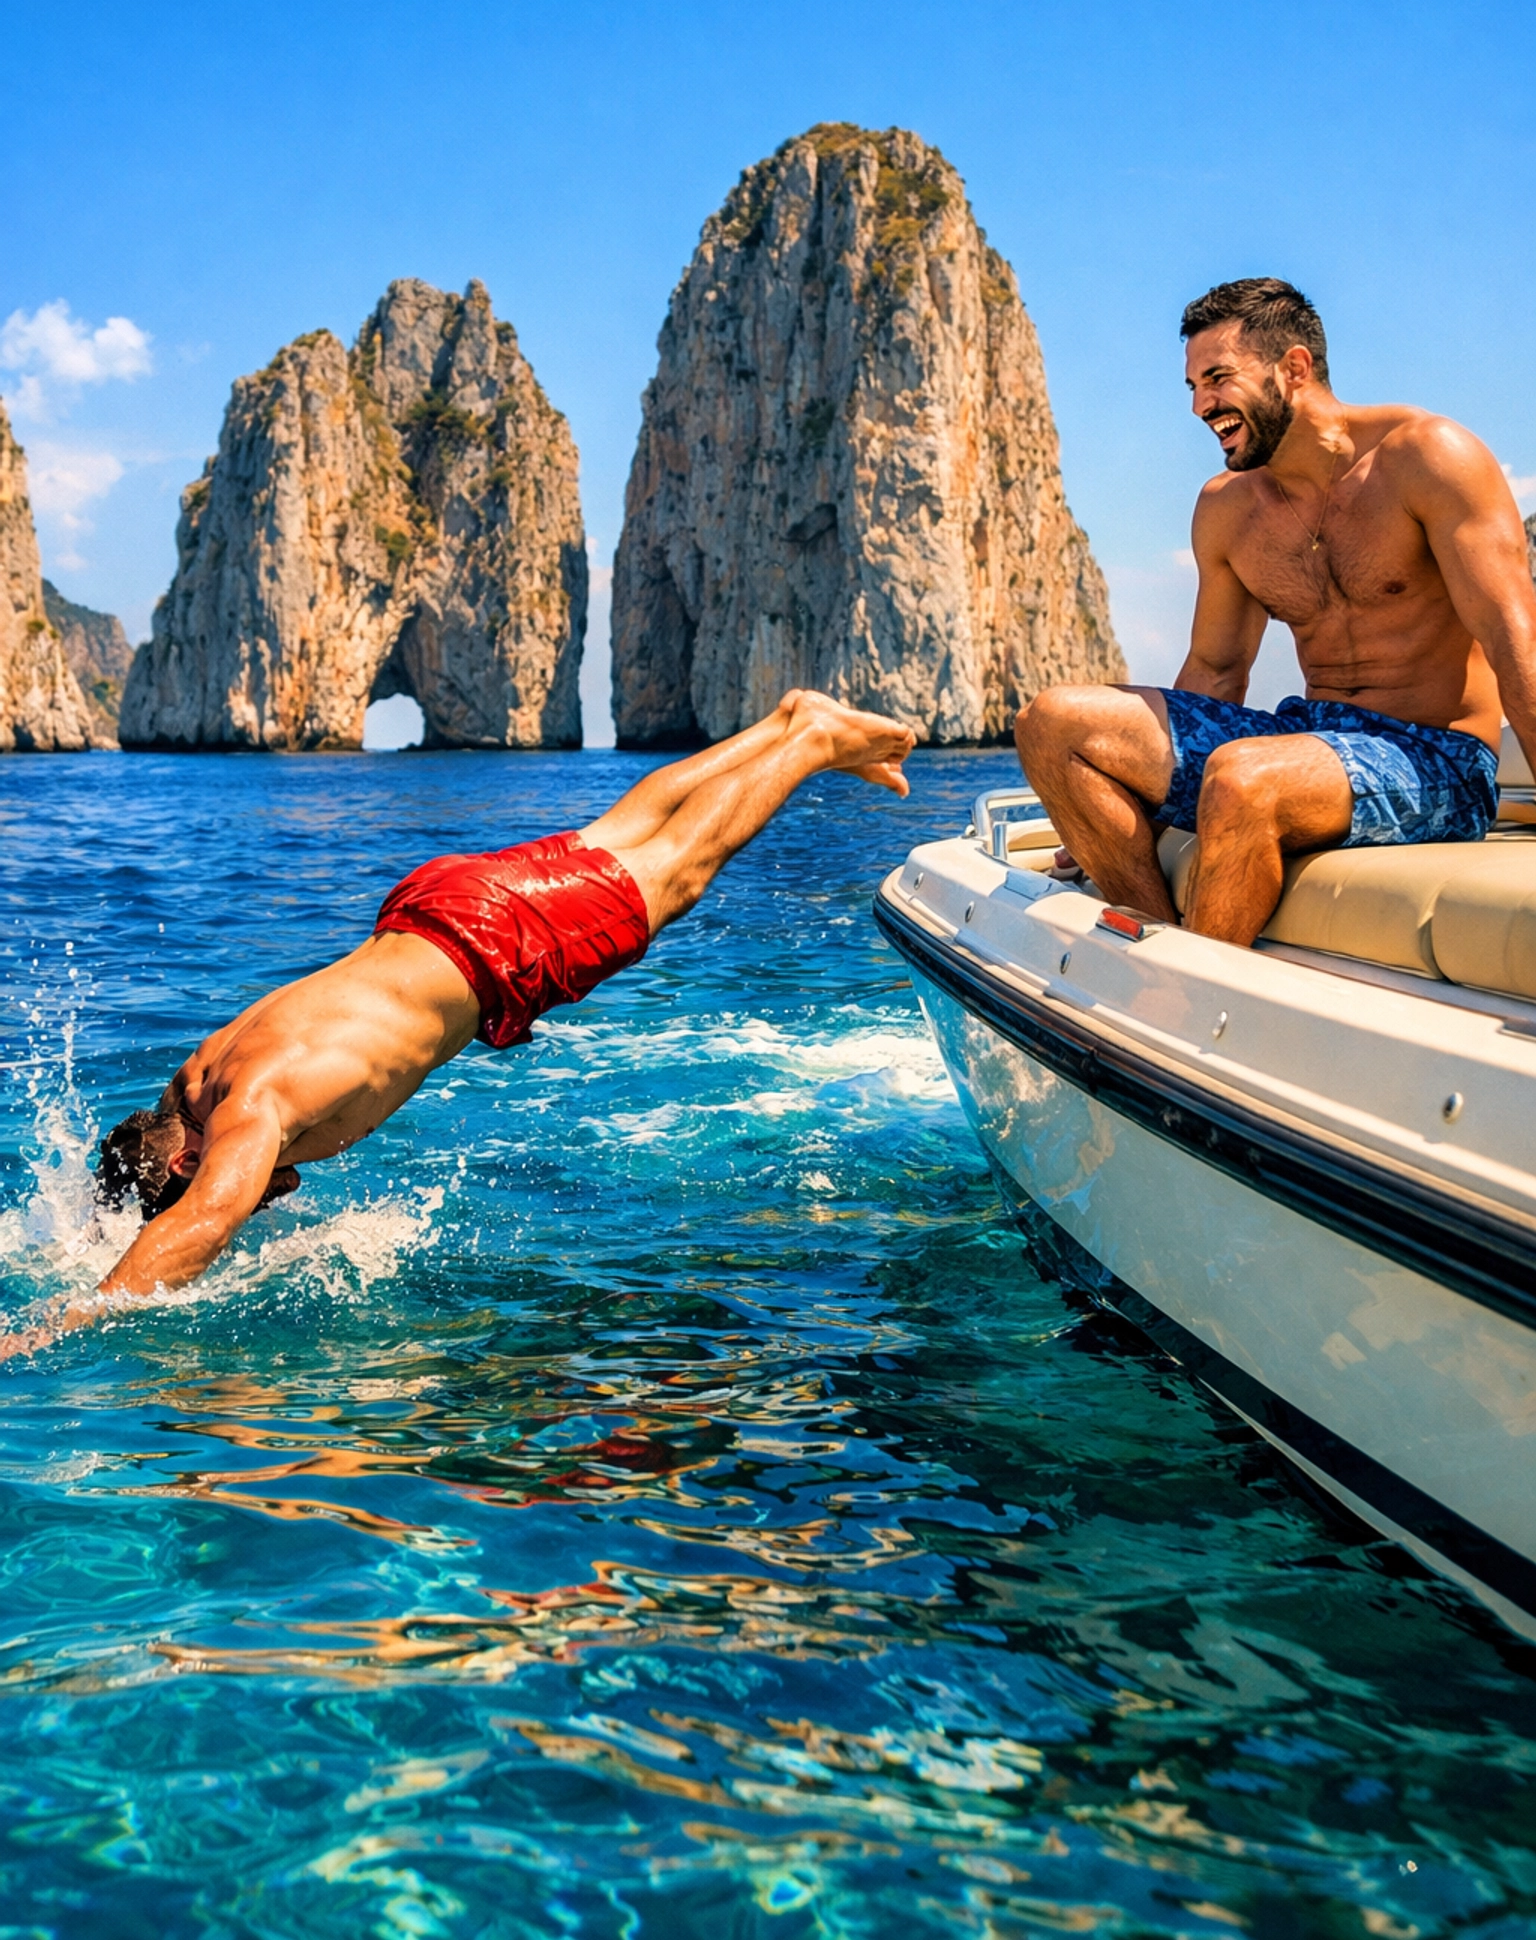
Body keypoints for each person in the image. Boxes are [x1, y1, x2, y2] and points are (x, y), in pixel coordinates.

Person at [3, 692, 915, 1354]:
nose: (270, 1194)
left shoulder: (245, 1113)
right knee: (623, 829)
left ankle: (809, 744)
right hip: (430, 904)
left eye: (260, 1185)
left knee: (676, 870)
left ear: (188, 1158)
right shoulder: (207, 1068)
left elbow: (202, 1218)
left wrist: (67, 1321)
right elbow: (153, 1176)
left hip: (492, 949)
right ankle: (783, 721)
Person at [1017, 277, 1536, 946]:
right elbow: (1215, 670)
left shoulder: (1427, 459)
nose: (1202, 405)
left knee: (1245, 777)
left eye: (1218, 378)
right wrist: (1135, 807)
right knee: (1050, 721)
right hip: (1307, 736)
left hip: (1436, 759)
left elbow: (1512, 639)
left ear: (1294, 368)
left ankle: (1189, 999)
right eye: (1193, 387)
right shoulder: (1228, 507)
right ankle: (1154, 942)